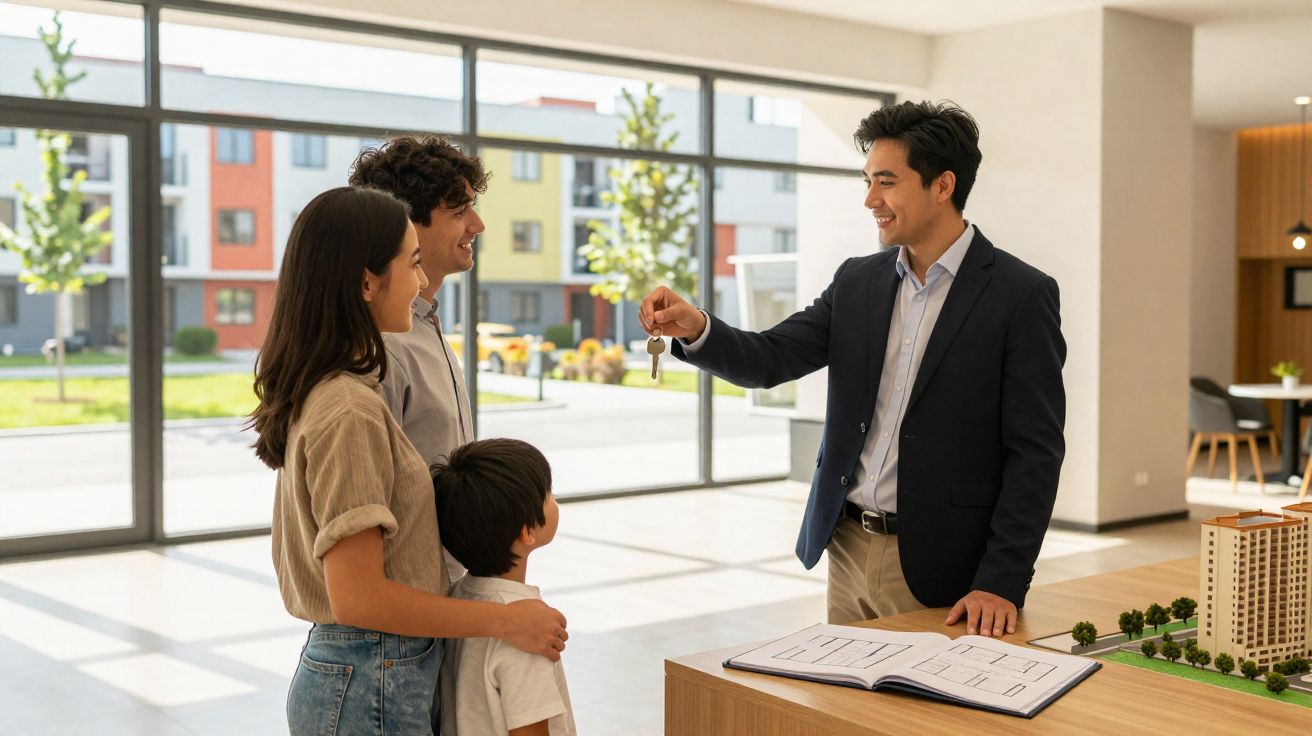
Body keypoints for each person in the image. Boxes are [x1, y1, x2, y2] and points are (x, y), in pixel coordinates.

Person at [639, 100, 1066, 638]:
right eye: (867, 181)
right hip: (845, 547)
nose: (871, 200)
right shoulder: (857, 281)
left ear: (942, 185)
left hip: (945, 566)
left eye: (886, 182)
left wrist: (1002, 579)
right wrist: (697, 325)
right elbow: (770, 358)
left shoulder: (1021, 294)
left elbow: (1036, 451)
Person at [251, 186, 566, 735]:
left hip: (376, 671)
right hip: (371, 674)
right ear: (367, 282)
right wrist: (504, 620)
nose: (422, 283)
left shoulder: (339, 391)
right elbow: (359, 597)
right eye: (413, 264)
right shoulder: (348, 408)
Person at [434, 438, 577, 736]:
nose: (554, 499)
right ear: (527, 532)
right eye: (547, 494)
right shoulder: (529, 631)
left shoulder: (455, 600)